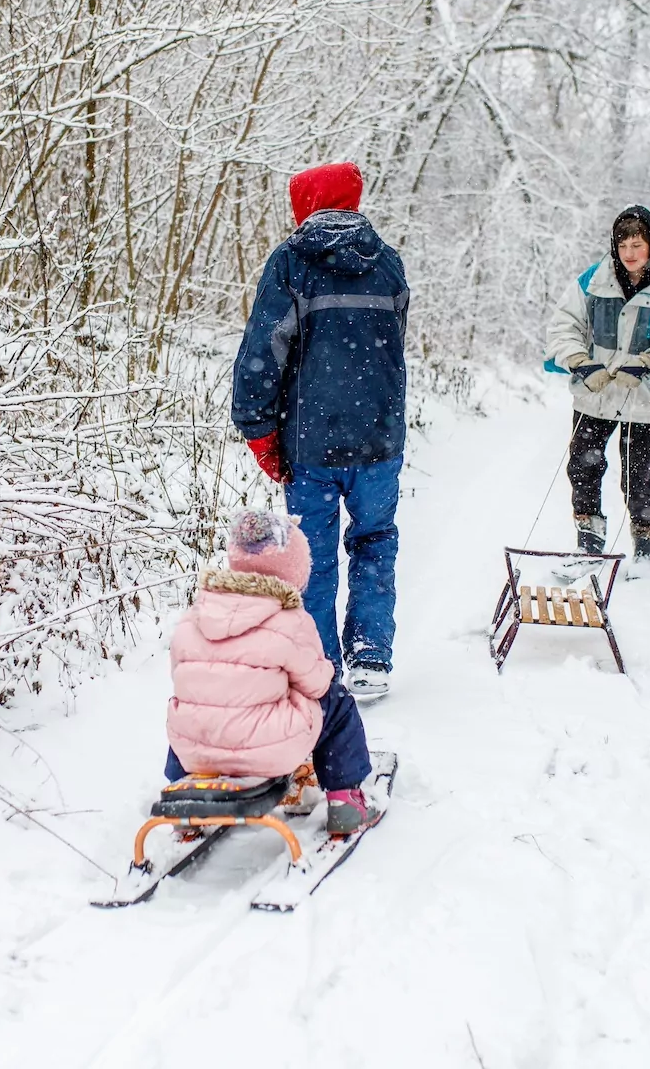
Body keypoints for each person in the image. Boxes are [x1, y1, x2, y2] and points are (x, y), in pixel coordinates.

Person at [230, 162, 409, 701]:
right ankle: (372, 655)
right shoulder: (388, 263)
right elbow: (393, 345)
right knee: (375, 541)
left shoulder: (291, 263)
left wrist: (259, 430)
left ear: (304, 205)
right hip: (379, 438)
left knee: (313, 553)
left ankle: (321, 663)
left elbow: (263, 351)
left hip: (311, 441)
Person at [165, 510, 379, 835]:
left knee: (195, 707)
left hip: (196, 754)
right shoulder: (289, 620)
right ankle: (346, 799)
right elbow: (317, 683)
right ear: (294, 571)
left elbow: (182, 677)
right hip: (269, 750)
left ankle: (183, 795)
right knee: (336, 701)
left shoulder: (195, 615)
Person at [543, 204, 650, 565]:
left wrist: (648, 361)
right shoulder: (592, 280)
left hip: (646, 399)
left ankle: (647, 548)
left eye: (637, 245)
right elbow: (563, 327)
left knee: (639, 476)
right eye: (623, 245)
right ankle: (589, 541)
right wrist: (580, 362)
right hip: (595, 394)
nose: (630, 254)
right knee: (583, 468)